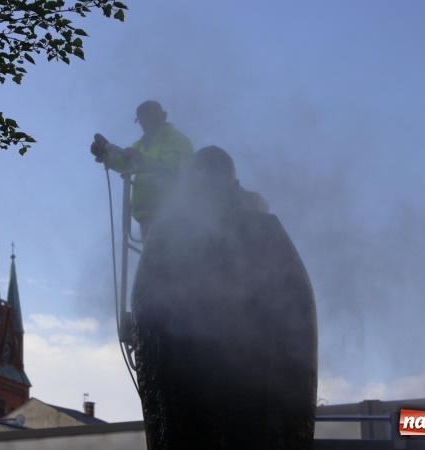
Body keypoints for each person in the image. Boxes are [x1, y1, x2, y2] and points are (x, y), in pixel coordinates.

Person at [131, 146, 318, 449]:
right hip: (258, 414)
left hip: (189, 414)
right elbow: (298, 322)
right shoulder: (269, 230)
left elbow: (146, 316)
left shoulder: (165, 235)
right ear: (233, 184)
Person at [91, 100, 193, 239]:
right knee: (153, 258)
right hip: (146, 215)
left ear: (163, 116)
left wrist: (140, 158)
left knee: (170, 254)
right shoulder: (140, 145)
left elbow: (173, 163)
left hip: (171, 212)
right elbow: (124, 162)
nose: (145, 123)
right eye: (142, 120)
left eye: (149, 117)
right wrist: (105, 156)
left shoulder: (176, 140)